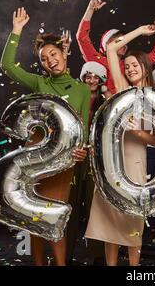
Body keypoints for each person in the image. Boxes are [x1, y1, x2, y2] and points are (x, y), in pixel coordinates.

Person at [0, 7, 88, 266]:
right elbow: (7, 65)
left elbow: (81, 129)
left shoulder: (82, 89)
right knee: (33, 215)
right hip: (34, 157)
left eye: (53, 54)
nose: (50, 60)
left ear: (64, 53)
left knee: (54, 215)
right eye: (44, 58)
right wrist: (16, 30)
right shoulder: (41, 83)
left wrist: (80, 150)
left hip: (62, 162)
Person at [85, 23, 155, 266]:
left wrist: (138, 131)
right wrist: (140, 31)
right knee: (110, 218)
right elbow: (111, 49)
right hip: (112, 160)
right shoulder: (122, 90)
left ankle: (134, 268)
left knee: (132, 220)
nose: (129, 69)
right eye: (126, 66)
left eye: (134, 65)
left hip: (135, 161)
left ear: (144, 67)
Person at [76, 0, 155, 97]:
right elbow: (82, 37)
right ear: (106, 45)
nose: (124, 44)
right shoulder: (96, 59)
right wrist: (90, 9)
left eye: (125, 42)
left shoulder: (129, 64)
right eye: (119, 41)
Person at [66, 61, 109, 265]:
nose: (91, 80)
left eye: (95, 77)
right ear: (82, 78)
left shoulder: (106, 101)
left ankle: (97, 255)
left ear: (101, 80)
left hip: (95, 159)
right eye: (88, 76)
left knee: (95, 208)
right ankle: (64, 254)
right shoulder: (74, 97)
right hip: (74, 157)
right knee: (70, 206)